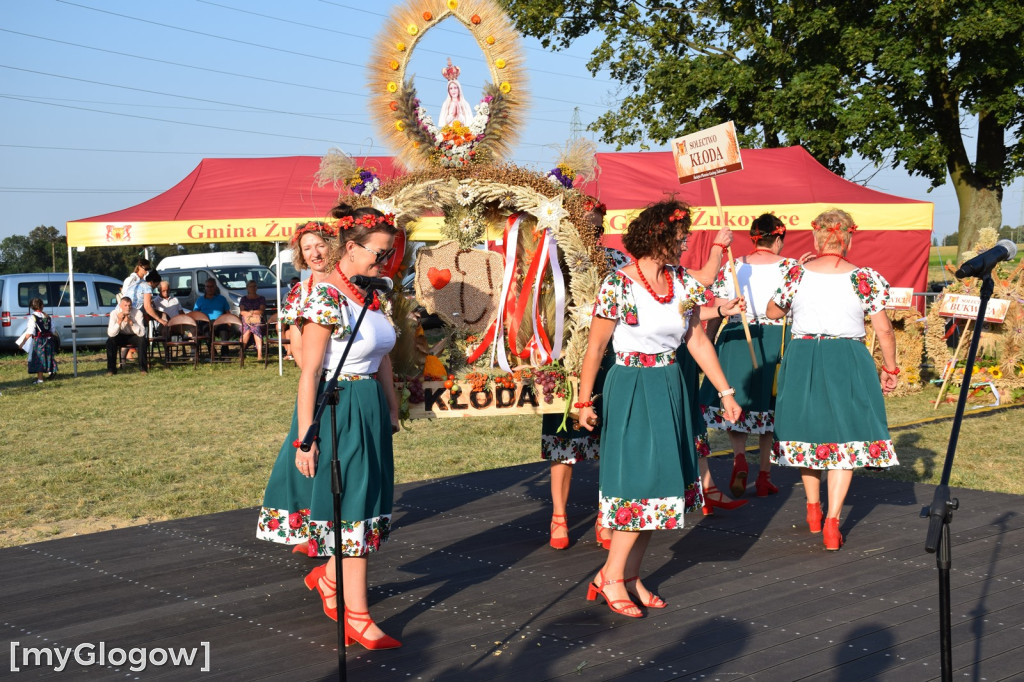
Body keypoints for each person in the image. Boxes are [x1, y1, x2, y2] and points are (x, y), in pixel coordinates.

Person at [577, 201, 741, 618]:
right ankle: (610, 576)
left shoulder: (682, 282)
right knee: (640, 483)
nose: (686, 241)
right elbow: (595, 347)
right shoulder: (618, 284)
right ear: (659, 237)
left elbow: (697, 341)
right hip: (631, 385)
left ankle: (630, 576)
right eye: (681, 234)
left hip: (670, 384)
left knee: (665, 485)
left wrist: (725, 392)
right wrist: (583, 401)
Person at [256, 203, 401, 649]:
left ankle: (331, 580)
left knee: (369, 503)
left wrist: (392, 409)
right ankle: (356, 614)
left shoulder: (369, 294)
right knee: (353, 508)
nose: (385, 261)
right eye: (379, 253)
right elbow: (310, 371)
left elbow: (384, 359)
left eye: (390, 253)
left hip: (371, 409)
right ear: (352, 248)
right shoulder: (324, 297)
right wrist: (306, 438)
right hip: (340, 408)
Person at [766, 208, 899, 551]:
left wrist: (796, 271)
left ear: (817, 237)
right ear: (849, 237)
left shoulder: (796, 272)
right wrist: (891, 367)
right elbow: (883, 329)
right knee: (844, 438)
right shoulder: (864, 277)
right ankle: (832, 521)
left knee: (808, 432)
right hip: (848, 357)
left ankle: (813, 508)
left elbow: (771, 312)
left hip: (804, 355)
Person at [542, 199, 628, 551]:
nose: (590, 233)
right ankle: (559, 516)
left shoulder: (618, 261)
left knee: (609, 441)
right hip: (562, 358)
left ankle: (605, 514)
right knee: (563, 438)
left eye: (596, 227)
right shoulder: (551, 260)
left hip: (608, 357)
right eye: (582, 226)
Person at [700, 214, 798, 499]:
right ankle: (765, 473)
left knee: (736, 403)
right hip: (775, 338)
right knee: (769, 405)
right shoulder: (791, 268)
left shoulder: (734, 265)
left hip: (735, 337)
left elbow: (718, 309)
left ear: (754, 237)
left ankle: (740, 457)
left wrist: (708, 340)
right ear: (778, 239)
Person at [281, 219, 341, 368]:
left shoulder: (349, 286)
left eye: (321, 246)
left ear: (332, 247)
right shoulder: (298, 292)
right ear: (301, 254)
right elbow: (297, 347)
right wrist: (315, 379)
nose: (315, 254)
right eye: (307, 248)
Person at [106, 296, 147, 375]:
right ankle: (111, 369)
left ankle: (143, 368)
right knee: (110, 341)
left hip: (133, 335)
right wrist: (119, 321)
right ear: (120, 306)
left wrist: (131, 323)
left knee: (143, 340)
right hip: (120, 335)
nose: (128, 308)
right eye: (125, 305)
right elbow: (111, 333)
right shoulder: (114, 313)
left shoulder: (138, 313)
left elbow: (142, 333)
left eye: (129, 305)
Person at [24, 298, 57, 383]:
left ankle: (40, 379)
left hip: (39, 341)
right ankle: (51, 371)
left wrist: (22, 343)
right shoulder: (47, 317)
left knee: (39, 359)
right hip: (49, 340)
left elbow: (30, 332)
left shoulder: (32, 317)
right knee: (48, 356)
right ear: (42, 306)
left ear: (32, 307)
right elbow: (53, 330)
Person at [438, 60, 473, 127]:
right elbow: (443, 123)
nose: (453, 91)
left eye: (455, 88)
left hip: (462, 133)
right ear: (448, 91)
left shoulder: (464, 103)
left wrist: (459, 114)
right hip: (449, 134)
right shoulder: (446, 104)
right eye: (451, 89)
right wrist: (452, 115)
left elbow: (468, 122)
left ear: (459, 89)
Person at [239, 280, 267, 360]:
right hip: (246, 319)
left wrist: (250, 312)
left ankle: (259, 354)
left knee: (256, 328)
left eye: (254, 286)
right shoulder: (244, 299)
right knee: (247, 330)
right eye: (251, 286)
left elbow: (261, 310)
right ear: (247, 288)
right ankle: (241, 352)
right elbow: (242, 312)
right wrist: (252, 313)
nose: (253, 288)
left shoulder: (261, 298)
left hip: (257, 319)